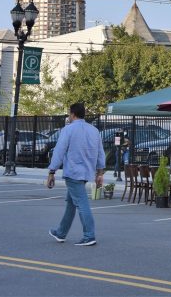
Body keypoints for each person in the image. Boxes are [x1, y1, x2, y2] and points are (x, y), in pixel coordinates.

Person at [46, 103, 105, 246]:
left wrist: (52, 171)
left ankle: (89, 236)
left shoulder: (68, 130)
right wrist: (100, 172)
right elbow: (100, 152)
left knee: (81, 204)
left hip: (73, 172)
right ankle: (61, 232)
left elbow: (59, 151)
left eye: (69, 114)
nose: (69, 116)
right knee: (71, 204)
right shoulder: (94, 130)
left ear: (72, 114)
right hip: (87, 172)